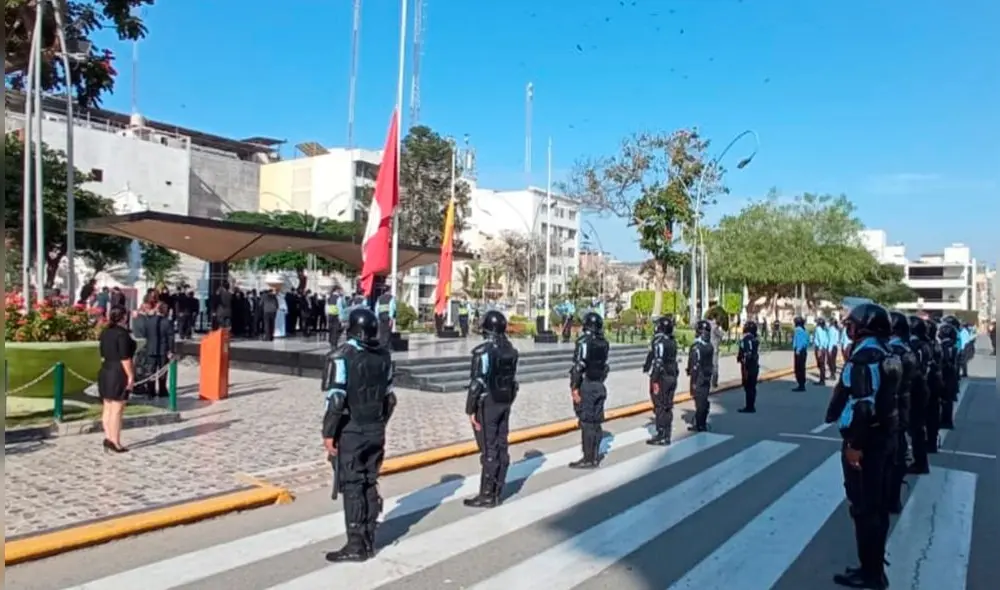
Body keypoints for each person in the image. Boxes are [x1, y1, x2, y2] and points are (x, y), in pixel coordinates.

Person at [825, 303, 901, 589]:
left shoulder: (865, 357)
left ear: (864, 327)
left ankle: (870, 574)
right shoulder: (886, 352)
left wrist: (855, 445)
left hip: (866, 443)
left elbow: (864, 407)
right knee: (876, 508)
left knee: (864, 509)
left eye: (853, 324)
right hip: (883, 439)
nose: (849, 328)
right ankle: (873, 568)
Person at [321, 307, 397, 562]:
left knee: (353, 485)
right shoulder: (385, 357)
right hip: (376, 427)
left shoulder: (341, 357)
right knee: (369, 481)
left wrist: (328, 433)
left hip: (352, 429)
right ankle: (369, 536)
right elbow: (390, 398)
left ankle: (355, 543)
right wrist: (379, 422)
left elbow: (336, 400)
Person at [463, 310, 519, 508]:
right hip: (504, 402)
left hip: (488, 404)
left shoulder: (484, 352)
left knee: (489, 449)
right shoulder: (511, 351)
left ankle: (487, 494)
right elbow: (514, 383)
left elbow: (476, 384)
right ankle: (498, 489)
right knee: (502, 445)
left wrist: (470, 409)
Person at [569, 311, 609, 468]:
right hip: (599, 384)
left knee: (587, 422)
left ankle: (588, 458)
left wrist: (574, 387)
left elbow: (579, 366)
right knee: (596, 422)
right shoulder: (604, 343)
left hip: (587, 384)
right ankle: (594, 455)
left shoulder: (584, 342)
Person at [886, 311, 917, 514]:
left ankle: (888, 498)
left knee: (889, 456)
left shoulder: (893, 350)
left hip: (892, 407)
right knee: (898, 451)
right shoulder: (907, 348)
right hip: (904, 404)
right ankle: (894, 498)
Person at [98, 306, 137, 453]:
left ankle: (108, 437)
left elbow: (102, 352)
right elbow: (125, 357)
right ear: (124, 317)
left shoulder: (105, 332)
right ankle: (115, 441)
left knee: (107, 406)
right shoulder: (122, 334)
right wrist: (131, 376)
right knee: (117, 408)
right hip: (118, 372)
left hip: (106, 369)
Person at [642, 315, 679, 445]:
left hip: (662, 378)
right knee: (668, 406)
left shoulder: (659, 342)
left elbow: (657, 362)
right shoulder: (672, 342)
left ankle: (661, 433)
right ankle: (666, 434)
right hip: (672, 376)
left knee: (660, 406)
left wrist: (654, 379)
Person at [905, 316, 932, 475]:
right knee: (917, 428)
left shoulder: (914, 346)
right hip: (922, 386)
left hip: (915, 389)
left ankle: (920, 463)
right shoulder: (926, 344)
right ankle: (919, 460)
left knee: (914, 428)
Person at [686, 319, 715, 432]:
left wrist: (693, 380)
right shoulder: (710, 346)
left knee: (699, 401)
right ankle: (702, 422)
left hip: (699, 377)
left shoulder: (696, 347)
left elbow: (694, 366)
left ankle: (699, 424)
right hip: (707, 376)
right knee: (704, 399)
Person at [923, 319, 945, 453]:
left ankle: (931, 441)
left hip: (929, 384)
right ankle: (932, 440)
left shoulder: (924, 346)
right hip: (936, 382)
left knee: (927, 417)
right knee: (933, 415)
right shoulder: (936, 344)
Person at [937, 321, 960, 431]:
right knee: (948, 400)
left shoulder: (943, 346)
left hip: (945, 375)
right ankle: (947, 420)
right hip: (952, 376)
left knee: (943, 399)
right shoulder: (954, 346)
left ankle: (945, 420)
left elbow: (944, 361)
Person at [737, 319, 761, 413]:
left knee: (748, 386)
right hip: (754, 365)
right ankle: (751, 405)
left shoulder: (746, 339)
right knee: (752, 386)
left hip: (747, 366)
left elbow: (747, 353)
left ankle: (749, 407)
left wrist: (742, 359)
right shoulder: (755, 339)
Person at [792, 316, 809, 391]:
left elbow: (799, 341)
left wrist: (798, 350)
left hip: (799, 351)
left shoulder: (798, 330)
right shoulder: (805, 330)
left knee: (798, 368)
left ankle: (800, 384)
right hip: (804, 350)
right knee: (802, 368)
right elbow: (807, 341)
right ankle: (802, 384)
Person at [813, 317, 830, 385]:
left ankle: (822, 380)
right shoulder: (825, 329)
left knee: (820, 364)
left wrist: (819, 349)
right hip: (824, 348)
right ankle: (822, 378)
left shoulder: (818, 329)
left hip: (819, 348)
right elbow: (826, 339)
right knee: (822, 364)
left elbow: (820, 339)